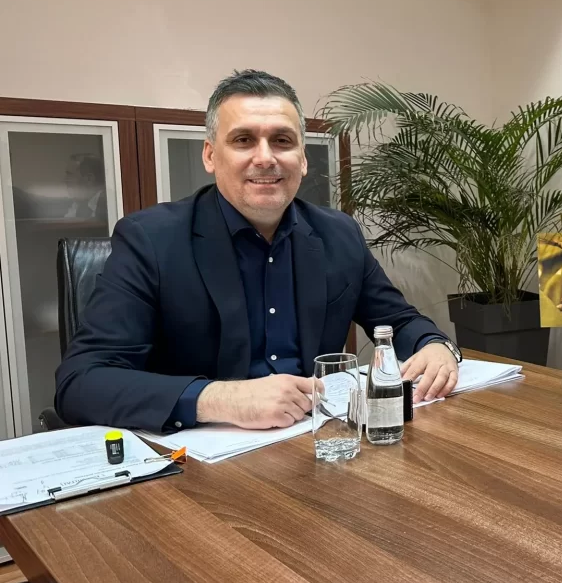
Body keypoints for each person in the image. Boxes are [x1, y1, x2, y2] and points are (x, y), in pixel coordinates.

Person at [56, 69, 462, 432]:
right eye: (243, 140)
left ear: (303, 159)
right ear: (211, 155)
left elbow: (398, 321)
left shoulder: (338, 234)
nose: (265, 158)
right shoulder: (150, 239)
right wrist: (221, 399)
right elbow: (81, 382)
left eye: (282, 141)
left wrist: (435, 346)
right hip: (201, 458)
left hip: (319, 440)